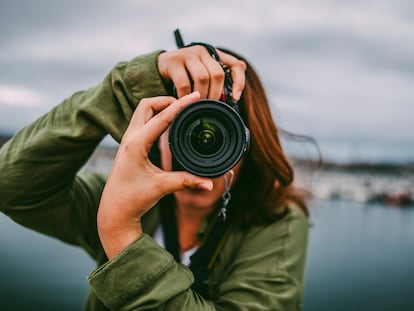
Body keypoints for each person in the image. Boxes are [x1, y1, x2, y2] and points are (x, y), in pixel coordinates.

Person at [0, 36, 309, 310]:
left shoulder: (277, 221)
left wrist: (122, 236)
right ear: (153, 135)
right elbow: (9, 185)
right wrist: (123, 87)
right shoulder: (115, 199)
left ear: (249, 147)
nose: (197, 156)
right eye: (179, 128)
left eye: (220, 137)